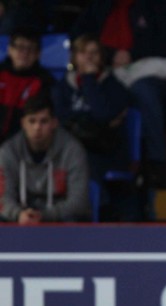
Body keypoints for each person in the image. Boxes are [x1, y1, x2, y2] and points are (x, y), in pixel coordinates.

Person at [69, 0, 166, 189]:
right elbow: (77, 34)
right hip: (108, 68)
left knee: (144, 91)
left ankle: (157, 163)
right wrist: (109, 54)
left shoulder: (158, 6)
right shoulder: (100, 6)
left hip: (146, 70)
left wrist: (133, 53)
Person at [52, 33, 141, 222]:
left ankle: (90, 215)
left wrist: (90, 81)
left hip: (106, 150)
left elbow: (102, 113)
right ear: (74, 57)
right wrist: (92, 122)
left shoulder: (114, 85)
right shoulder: (63, 86)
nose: (89, 57)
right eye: (83, 52)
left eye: (94, 53)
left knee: (85, 161)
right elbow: (60, 118)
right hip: (72, 148)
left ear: (101, 57)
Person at [0, 93, 89, 223]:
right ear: (23, 123)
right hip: (21, 220)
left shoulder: (73, 150)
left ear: (54, 123)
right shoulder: (8, 152)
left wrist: (44, 216)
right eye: (32, 121)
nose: (37, 128)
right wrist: (18, 214)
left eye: (44, 121)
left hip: (60, 222)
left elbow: (79, 202)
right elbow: (2, 198)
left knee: (74, 218)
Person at [0, 27, 55, 144]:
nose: (25, 53)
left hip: (21, 147)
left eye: (31, 49)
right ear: (10, 50)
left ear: (38, 54)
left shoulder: (45, 81)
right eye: (20, 47)